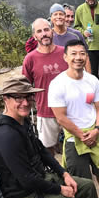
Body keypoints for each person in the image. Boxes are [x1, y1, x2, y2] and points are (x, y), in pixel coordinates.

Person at [48, 39, 99, 198]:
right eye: (73, 54)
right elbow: (60, 117)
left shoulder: (92, 81)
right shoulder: (58, 84)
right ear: (65, 57)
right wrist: (82, 135)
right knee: (82, 178)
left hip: (95, 133)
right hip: (74, 138)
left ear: (86, 56)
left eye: (82, 53)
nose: (78, 57)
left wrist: (97, 129)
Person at [22, 18, 68, 156]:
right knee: (47, 149)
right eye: (39, 31)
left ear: (52, 31)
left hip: (69, 108)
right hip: (45, 111)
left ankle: (75, 174)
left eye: (46, 29)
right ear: (35, 36)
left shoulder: (65, 53)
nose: (44, 34)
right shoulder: (30, 59)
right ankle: (53, 175)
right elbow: (25, 86)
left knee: (74, 145)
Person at [50, 3, 91, 73]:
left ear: (64, 16)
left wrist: (89, 78)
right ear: (51, 18)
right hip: (55, 75)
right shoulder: (48, 36)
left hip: (75, 75)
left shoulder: (76, 34)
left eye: (61, 14)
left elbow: (86, 57)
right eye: (55, 14)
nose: (58, 17)